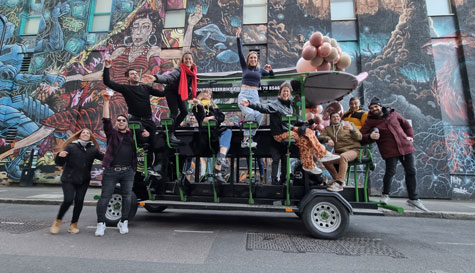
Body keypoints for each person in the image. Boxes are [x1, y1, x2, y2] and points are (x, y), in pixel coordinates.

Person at [240, 82, 340, 175]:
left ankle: (309, 165)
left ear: (290, 94)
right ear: (280, 93)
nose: (286, 93)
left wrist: (305, 123)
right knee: (303, 138)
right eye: (284, 91)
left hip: (289, 129)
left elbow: (295, 120)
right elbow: (263, 107)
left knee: (308, 134)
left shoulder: (290, 107)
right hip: (280, 133)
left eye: (287, 91)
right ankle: (321, 155)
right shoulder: (275, 104)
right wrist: (250, 104)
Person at [95, 92, 150, 236]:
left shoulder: (131, 135)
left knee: (127, 197)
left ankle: (123, 221)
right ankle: (101, 223)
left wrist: (145, 132)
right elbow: (106, 120)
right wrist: (107, 101)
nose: (120, 121)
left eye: (123, 120)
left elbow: (141, 127)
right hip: (111, 171)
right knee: (105, 197)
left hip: (127, 172)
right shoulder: (112, 134)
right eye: (118, 120)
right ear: (116, 123)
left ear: (127, 124)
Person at [360, 97, 429, 212]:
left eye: (376, 106)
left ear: (380, 106)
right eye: (371, 108)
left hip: (406, 147)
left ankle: (414, 199)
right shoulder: (370, 121)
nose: (374, 109)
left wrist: (410, 136)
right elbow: (361, 136)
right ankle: (385, 195)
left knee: (411, 171)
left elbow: (406, 125)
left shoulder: (393, 114)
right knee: (390, 172)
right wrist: (370, 137)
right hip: (389, 150)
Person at [50, 128, 104, 234]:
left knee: (79, 202)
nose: (85, 134)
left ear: (90, 137)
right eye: (83, 132)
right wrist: (60, 156)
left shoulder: (93, 149)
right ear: (79, 135)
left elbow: (104, 158)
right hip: (69, 179)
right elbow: (60, 163)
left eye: (87, 133)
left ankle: (74, 224)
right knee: (68, 200)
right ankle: (57, 221)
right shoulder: (71, 146)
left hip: (83, 180)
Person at [142, 52, 198, 144]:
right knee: (174, 111)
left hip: (180, 93)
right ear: (183, 61)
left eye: (189, 59)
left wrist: (192, 94)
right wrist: (156, 78)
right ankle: (170, 134)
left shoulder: (193, 72)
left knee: (184, 111)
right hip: (171, 91)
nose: (188, 60)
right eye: (186, 59)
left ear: (192, 61)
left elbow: (190, 85)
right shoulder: (179, 70)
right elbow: (169, 77)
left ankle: (170, 130)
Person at [235, 27, 274, 148]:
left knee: (260, 115)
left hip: (254, 95)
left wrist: (270, 69)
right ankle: (245, 139)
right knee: (250, 114)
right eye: (251, 58)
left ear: (257, 60)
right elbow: (240, 52)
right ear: (248, 60)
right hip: (245, 93)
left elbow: (272, 75)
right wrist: (237, 37)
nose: (252, 59)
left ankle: (250, 138)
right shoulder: (244, 67)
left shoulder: (260, 70)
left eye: (255, 58)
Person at [191, 89, 232, 183]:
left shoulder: (214, 106)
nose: (209, 95)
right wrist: (200, 105)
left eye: (210, 94)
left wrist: (212, 117)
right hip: (206, 135)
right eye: (206, 93)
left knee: (228, 131)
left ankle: (220, 159)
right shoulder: (196, 107)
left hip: (216, 133)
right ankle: (217, 170)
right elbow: (202, 119)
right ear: (201, 94)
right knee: (225, 144)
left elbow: (221, 117)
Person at [320, 112, 362, 192]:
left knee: (343, 156)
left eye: (337, 116)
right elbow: (321, 136)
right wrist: (328, 139)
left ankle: (339, 183)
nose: (336, 118)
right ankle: (337, 179)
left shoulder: (349, 124)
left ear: (340, 118)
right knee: (325, 158)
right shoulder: (328, 129)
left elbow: (359, 137)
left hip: (354, 150)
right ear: (331, 119)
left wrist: (352, 129)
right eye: (333, 117)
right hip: (340, 152)